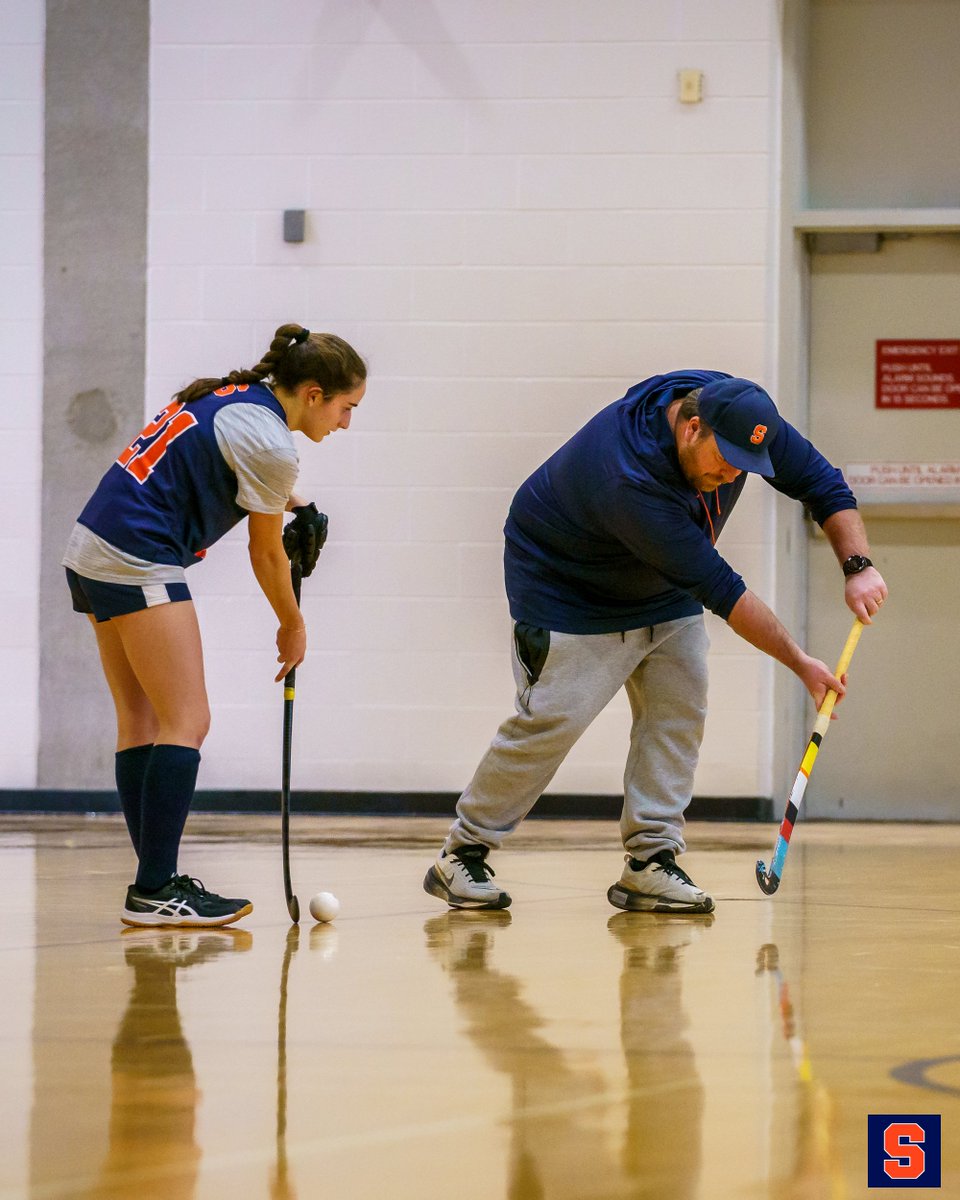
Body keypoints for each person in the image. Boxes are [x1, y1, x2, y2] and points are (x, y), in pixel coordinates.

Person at [423, 370, 888, 915]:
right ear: (692, 429)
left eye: (745, 463)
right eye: (725, 459)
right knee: (552, 722)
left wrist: (857, 566)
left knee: (678, 712)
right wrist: (801, 663)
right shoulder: (626, 477)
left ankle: (651, 861)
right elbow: (722, 589)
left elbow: (824, 485)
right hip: (569, 588)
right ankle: (463, 851)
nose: (733, 472)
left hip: (664, 586)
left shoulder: (742, 417)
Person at [63, 322, 367, 927]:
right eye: (344, 407)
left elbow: (225, 467)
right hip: (136, 555)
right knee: (188, 720)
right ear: (312, 393)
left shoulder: (232, 396)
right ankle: (155, 890)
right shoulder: (274, 445)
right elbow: (265, 554)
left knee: (142, 719)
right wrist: (292, 624)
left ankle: (154, 881)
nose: (345, 422)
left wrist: (296, 505)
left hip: (92, 546)